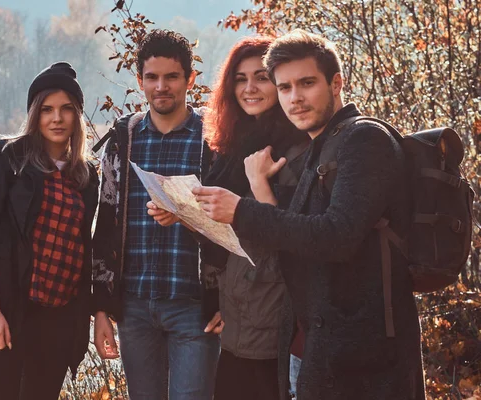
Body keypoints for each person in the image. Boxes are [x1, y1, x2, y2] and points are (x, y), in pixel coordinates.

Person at [192, 30, 425, 399]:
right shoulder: (321, 144)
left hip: (365, 357)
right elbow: (292, 241)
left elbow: (338, 235)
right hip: (317, 348)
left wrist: (241, 210)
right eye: (284, 88)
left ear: (336, 83)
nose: (294, 98)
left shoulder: (364, 139)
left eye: (306, 83)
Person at [0, 62, 99, 400]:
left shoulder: (86, 176)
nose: (57, 118)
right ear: (35, 114)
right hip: (5, 311)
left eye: (66, 109)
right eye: (47, 109)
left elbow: (85, 248)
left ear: (77, 115)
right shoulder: (7, 157)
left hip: (57, 323)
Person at [92, 29, 219, 399]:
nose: (161, 86)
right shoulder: (123, 138)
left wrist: (226, 297)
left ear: (190, 79)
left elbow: (234, 223)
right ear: (139, 80)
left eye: (172, 77)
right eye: (152, 77)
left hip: (195, 308)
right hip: (135, 308)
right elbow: (106, 223)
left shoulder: (212, 139)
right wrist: (101, 307)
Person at [201, 36, 307, 400]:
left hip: (275, 313)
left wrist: (260, 182)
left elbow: (295, 238)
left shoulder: (297, 145)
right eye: (240, 79)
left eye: (261, 77)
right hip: (237, 312)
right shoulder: (235, 145)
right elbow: (225, 231)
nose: (249, 88)